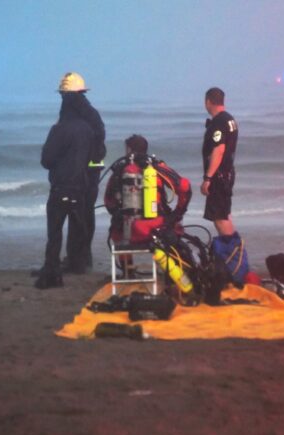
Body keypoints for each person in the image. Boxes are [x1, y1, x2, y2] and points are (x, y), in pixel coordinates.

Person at [35, 73, 96, 289]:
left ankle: (52, 268)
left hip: (61, 186)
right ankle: (78, 264)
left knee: (55, 232)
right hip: (81, 186)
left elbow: (47, 160)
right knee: (79, 229)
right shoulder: (88, 129)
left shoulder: (59, 129)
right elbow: (93, 155)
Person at [57, 72, 106, 273]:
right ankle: (81, 258)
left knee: (79, 214)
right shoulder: (89, 113)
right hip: (88, 171)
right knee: (83, 214)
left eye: (63, 94)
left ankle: (78, 260)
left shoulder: (74, 112)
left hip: (83, 173)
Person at [104, 134, 191, 245]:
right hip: (157, 228)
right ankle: (165, 260)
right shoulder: (157, 169)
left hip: (126, 232)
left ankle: (127, 262)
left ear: (128, 150)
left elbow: (109, 202)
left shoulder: (119, 171)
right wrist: (177, 213)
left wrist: (120, 216)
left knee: (117, 230)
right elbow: (185, 189)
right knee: (175, 232)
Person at [201, 87, 238, 237]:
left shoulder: (219, 122)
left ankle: (232, 253)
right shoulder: (229, 119)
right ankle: (235, 252)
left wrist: (208, 178)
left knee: (219, 219)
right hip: (227, 173)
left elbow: (219, 149)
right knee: (224, 215)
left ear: (208, 102)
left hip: (219, 176)